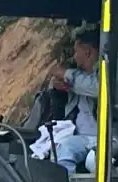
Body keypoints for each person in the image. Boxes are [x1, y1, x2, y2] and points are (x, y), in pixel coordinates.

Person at [46, 28, 100, 174]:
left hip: (108, 137)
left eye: (77, 52)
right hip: (80, 136)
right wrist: (57, 88)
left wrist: (66, 74)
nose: (74, 57)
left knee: (94, 161)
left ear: (87, 52)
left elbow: (98, 88)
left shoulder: (111, 70)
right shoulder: (76, 73)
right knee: (61, 151)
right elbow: (57, 103)